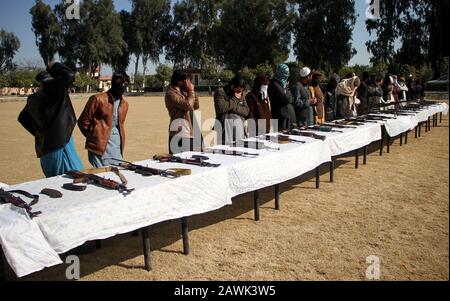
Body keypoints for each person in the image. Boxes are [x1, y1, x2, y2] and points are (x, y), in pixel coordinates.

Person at [18, 62, 84, 177]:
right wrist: (54, 66)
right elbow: (69, 76)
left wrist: (41, 134)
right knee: (74, 178)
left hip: (45, 149)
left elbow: (23, 118)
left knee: (53, 180)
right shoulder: (55, 94)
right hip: (60, 145)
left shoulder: (33, 99)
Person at [78, 72, 130, 168]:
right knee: (102, 175)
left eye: (124, 86)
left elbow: (119, 125)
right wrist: (94, 136)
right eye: (119, 85)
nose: (122, 89)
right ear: (113, 84)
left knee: (117, 173)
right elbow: (83, 121)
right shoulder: (97, 99)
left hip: (116, 145)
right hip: (100, 146)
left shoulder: (124, 104)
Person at [164, 70, 200, 154]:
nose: (188, 83)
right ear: (179, 81)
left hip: (189, 131)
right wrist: (190, 92)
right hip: (179, 134)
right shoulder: (171, 94)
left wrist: (191, 91)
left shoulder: (183, 91)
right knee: (179, 163)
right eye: (186, 80)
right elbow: (188, 105)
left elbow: (195, 106)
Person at [214, 75, 249, 145]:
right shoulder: (220, 92)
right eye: (238, 90)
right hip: (224, 128)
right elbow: (221, 109)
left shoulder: (240, 93)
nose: (240, 93)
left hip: (239, 129)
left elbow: (246, 111)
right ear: (232, 86)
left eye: (241, 91)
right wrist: (234, 99)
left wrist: (231, 108)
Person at [268, 64, 296, 130]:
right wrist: (287, 88)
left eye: (288, 73)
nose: (288, 75)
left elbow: (292, 98)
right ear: (280, 72)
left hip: (286, 118)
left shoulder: (282, 84)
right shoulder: (274, 84)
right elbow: (287, 99)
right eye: (286, 73)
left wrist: (287, 91)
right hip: (279, 119)